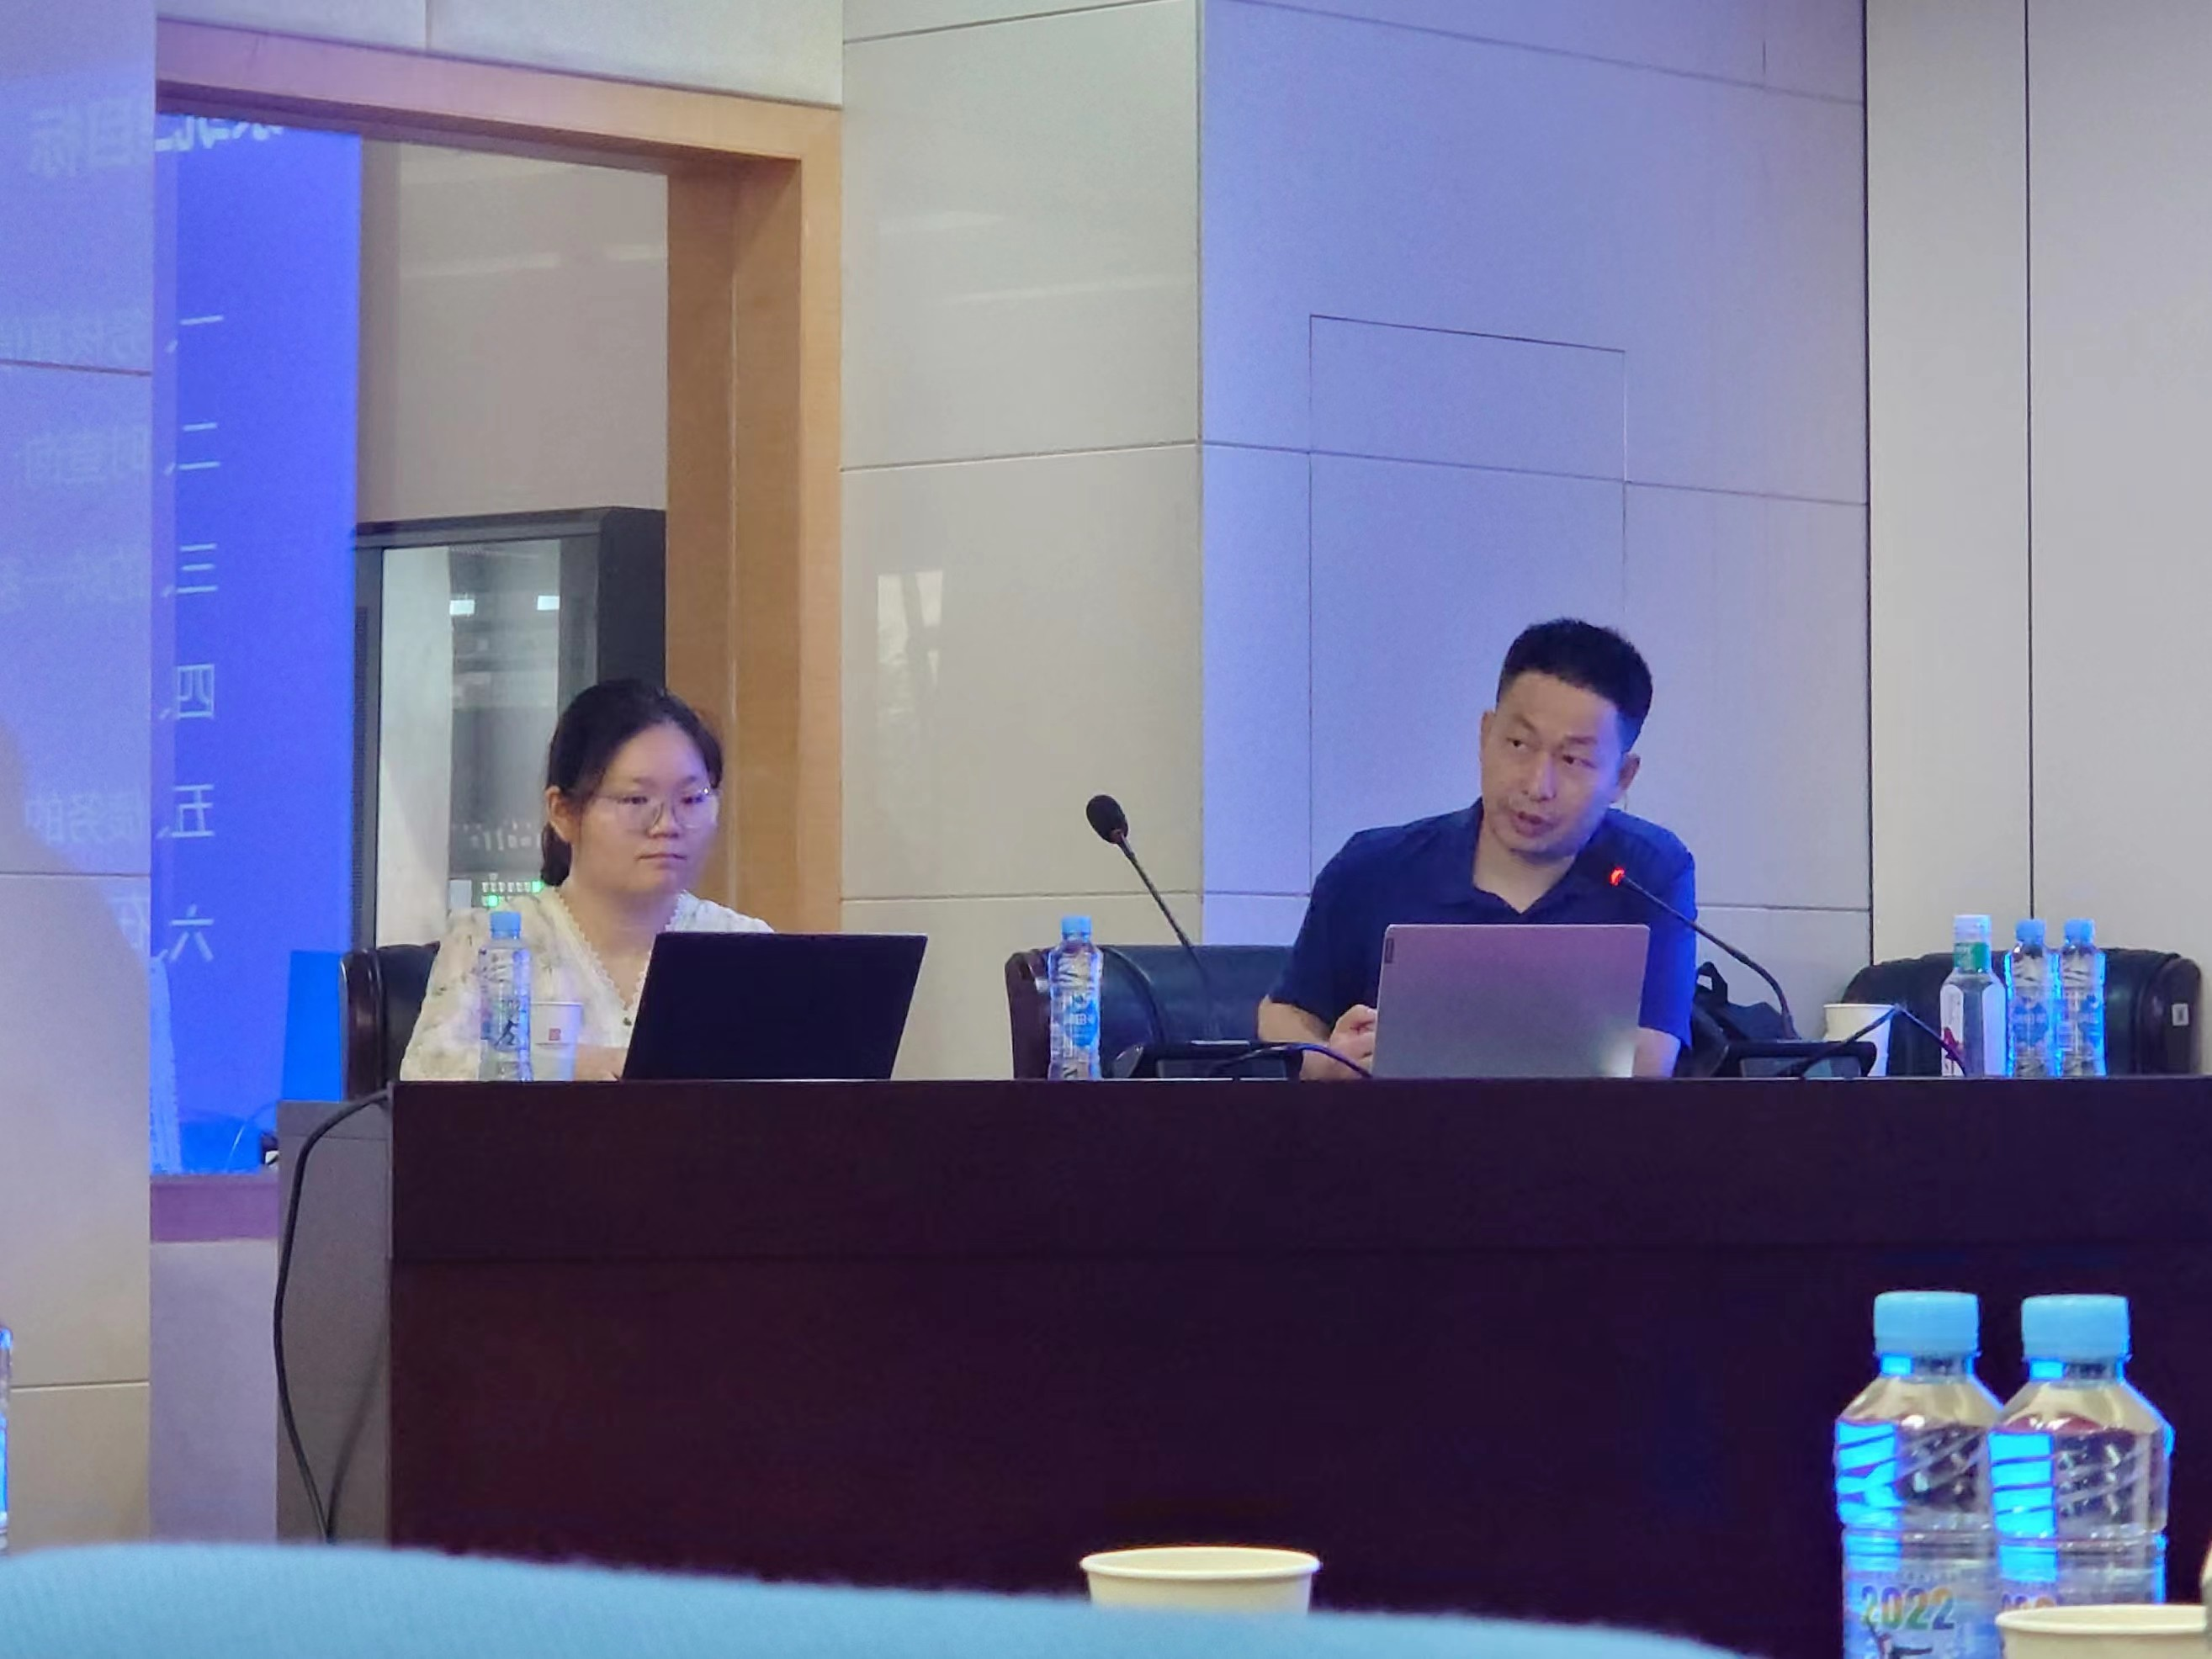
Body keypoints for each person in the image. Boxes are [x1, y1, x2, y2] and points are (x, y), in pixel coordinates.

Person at [1257, 618, 1695, 1080]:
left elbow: (1650, 1060)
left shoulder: (1649, 873)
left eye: (1573, 760)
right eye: (1518, 743)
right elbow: (1283, 1012)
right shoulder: (1372, 868)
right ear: (1486, 735)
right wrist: (1325, 1060)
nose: (1537, 785)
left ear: (1622, 778)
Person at [401, 680, 770, 1082]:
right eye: (636, 800)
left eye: (692, 799)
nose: (668, 825)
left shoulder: (748, 947)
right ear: (563, 812)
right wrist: (568, 1065)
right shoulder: (490, 939)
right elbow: (426, 1073)